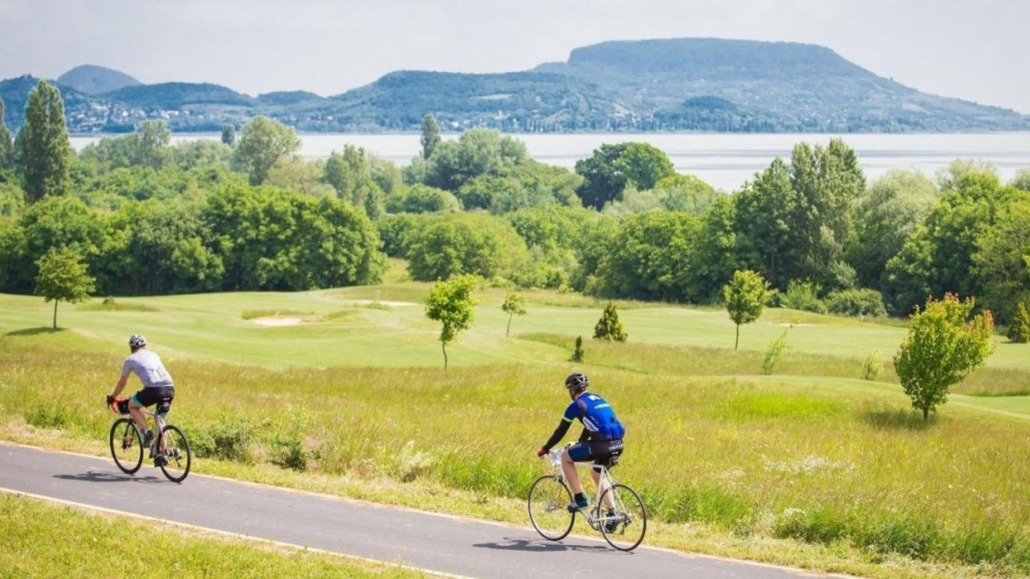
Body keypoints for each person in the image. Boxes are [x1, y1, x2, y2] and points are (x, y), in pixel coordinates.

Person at [536, 372, 625, 514]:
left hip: (601, 445)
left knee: (566, 458)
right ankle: (613, 513)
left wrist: (545, 448)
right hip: (619, 444)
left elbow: (560, 431)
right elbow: (591, 425)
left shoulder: (576, 405)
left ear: (572, 390)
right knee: (597, 474)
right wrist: (579, 442)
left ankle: (579, 499)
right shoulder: (598, 398)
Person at [106, 334, 175, 465]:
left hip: (153, 390)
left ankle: (147, 432)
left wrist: (113, 397)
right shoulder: (154, 355)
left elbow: (122, 383)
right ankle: (163, 452)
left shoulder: (130, 360)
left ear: (131, 347)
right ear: (145, 346)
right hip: (170, 388)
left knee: (132, 405)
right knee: (159, 419)